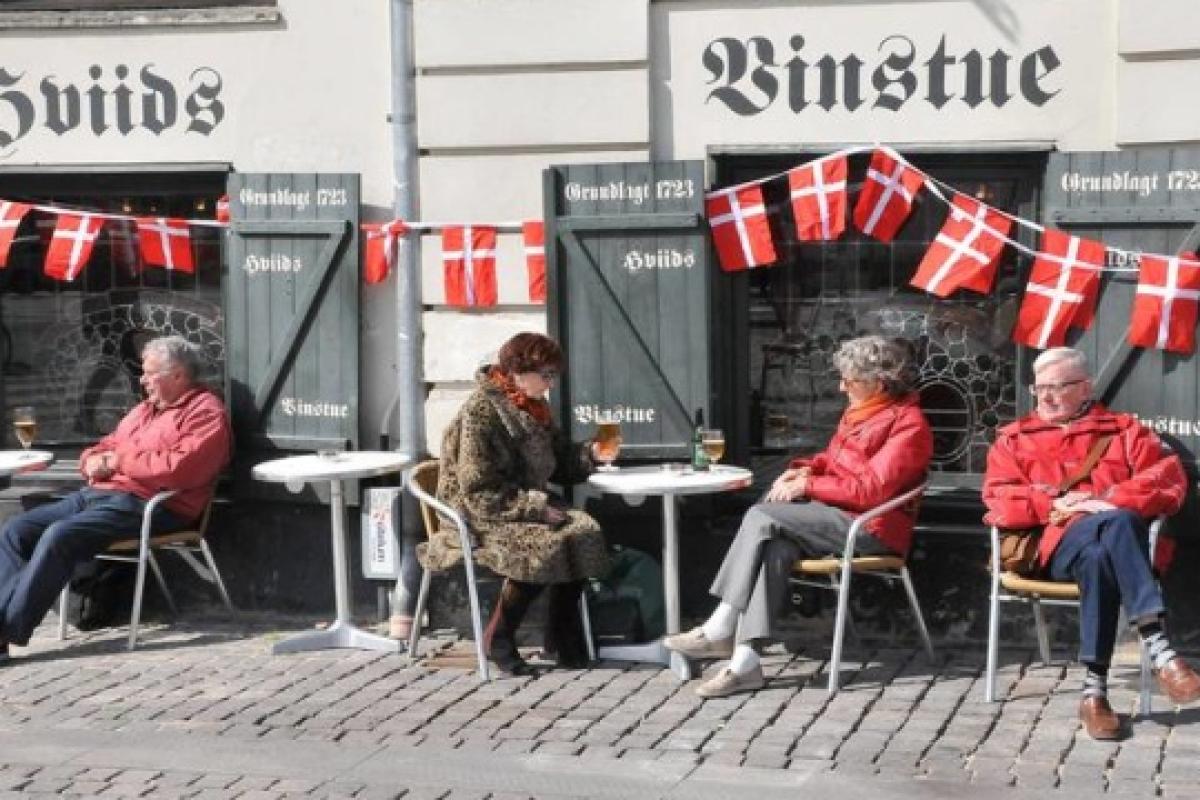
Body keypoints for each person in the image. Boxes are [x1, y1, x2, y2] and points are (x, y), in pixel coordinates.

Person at [665, 335, 932, 697]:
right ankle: (745, 662)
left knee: (762, 515)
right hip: (833, 517)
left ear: (879, 383)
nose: (841, 387)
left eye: (849, 380)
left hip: (870, 527)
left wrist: (808, 487)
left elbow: (871, 491)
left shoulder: (910, 426)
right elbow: (835, 460)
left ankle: (720, 627)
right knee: (774, 547)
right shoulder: (861, 412)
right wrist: (803, 470)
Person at [982, 346, 1200, 740]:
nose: (1046, 397)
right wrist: (1052, 502)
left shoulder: (1124, 431)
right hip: (1051, 549)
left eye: (1058, 387)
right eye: (1040, 388)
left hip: (1104, 553)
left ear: (1085, 387)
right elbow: (997, 498)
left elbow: (1168, 481)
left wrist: (1107, 501)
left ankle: (1093, 693)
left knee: (1102, 548)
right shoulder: (1014, 440)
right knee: (1115, 524)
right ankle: (1158, 645)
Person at [0, 335, 231, 662]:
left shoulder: (206, 413)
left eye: (150, 374)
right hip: (99, 494)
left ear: (178, 375)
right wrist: (90, 461)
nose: (142, 380)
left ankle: (7, 631)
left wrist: (120, 462)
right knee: (16, 529)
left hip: (152, 505)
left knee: (60, 536)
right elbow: (103, 446)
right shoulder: (143, 411)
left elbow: (178, 468)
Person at [428, 332, 609, 675]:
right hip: (478, 510)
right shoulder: (481, 412)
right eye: (546, 375)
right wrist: (535, 508)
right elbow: (477, 486)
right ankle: (498, 638)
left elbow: (561, 461)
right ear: (517, 371)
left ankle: (562, 635)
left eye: (554, 375)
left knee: (584, 531)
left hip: (521, 501)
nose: (550, 385)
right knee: (540, 544)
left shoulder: (534, 408)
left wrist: (591, 453)